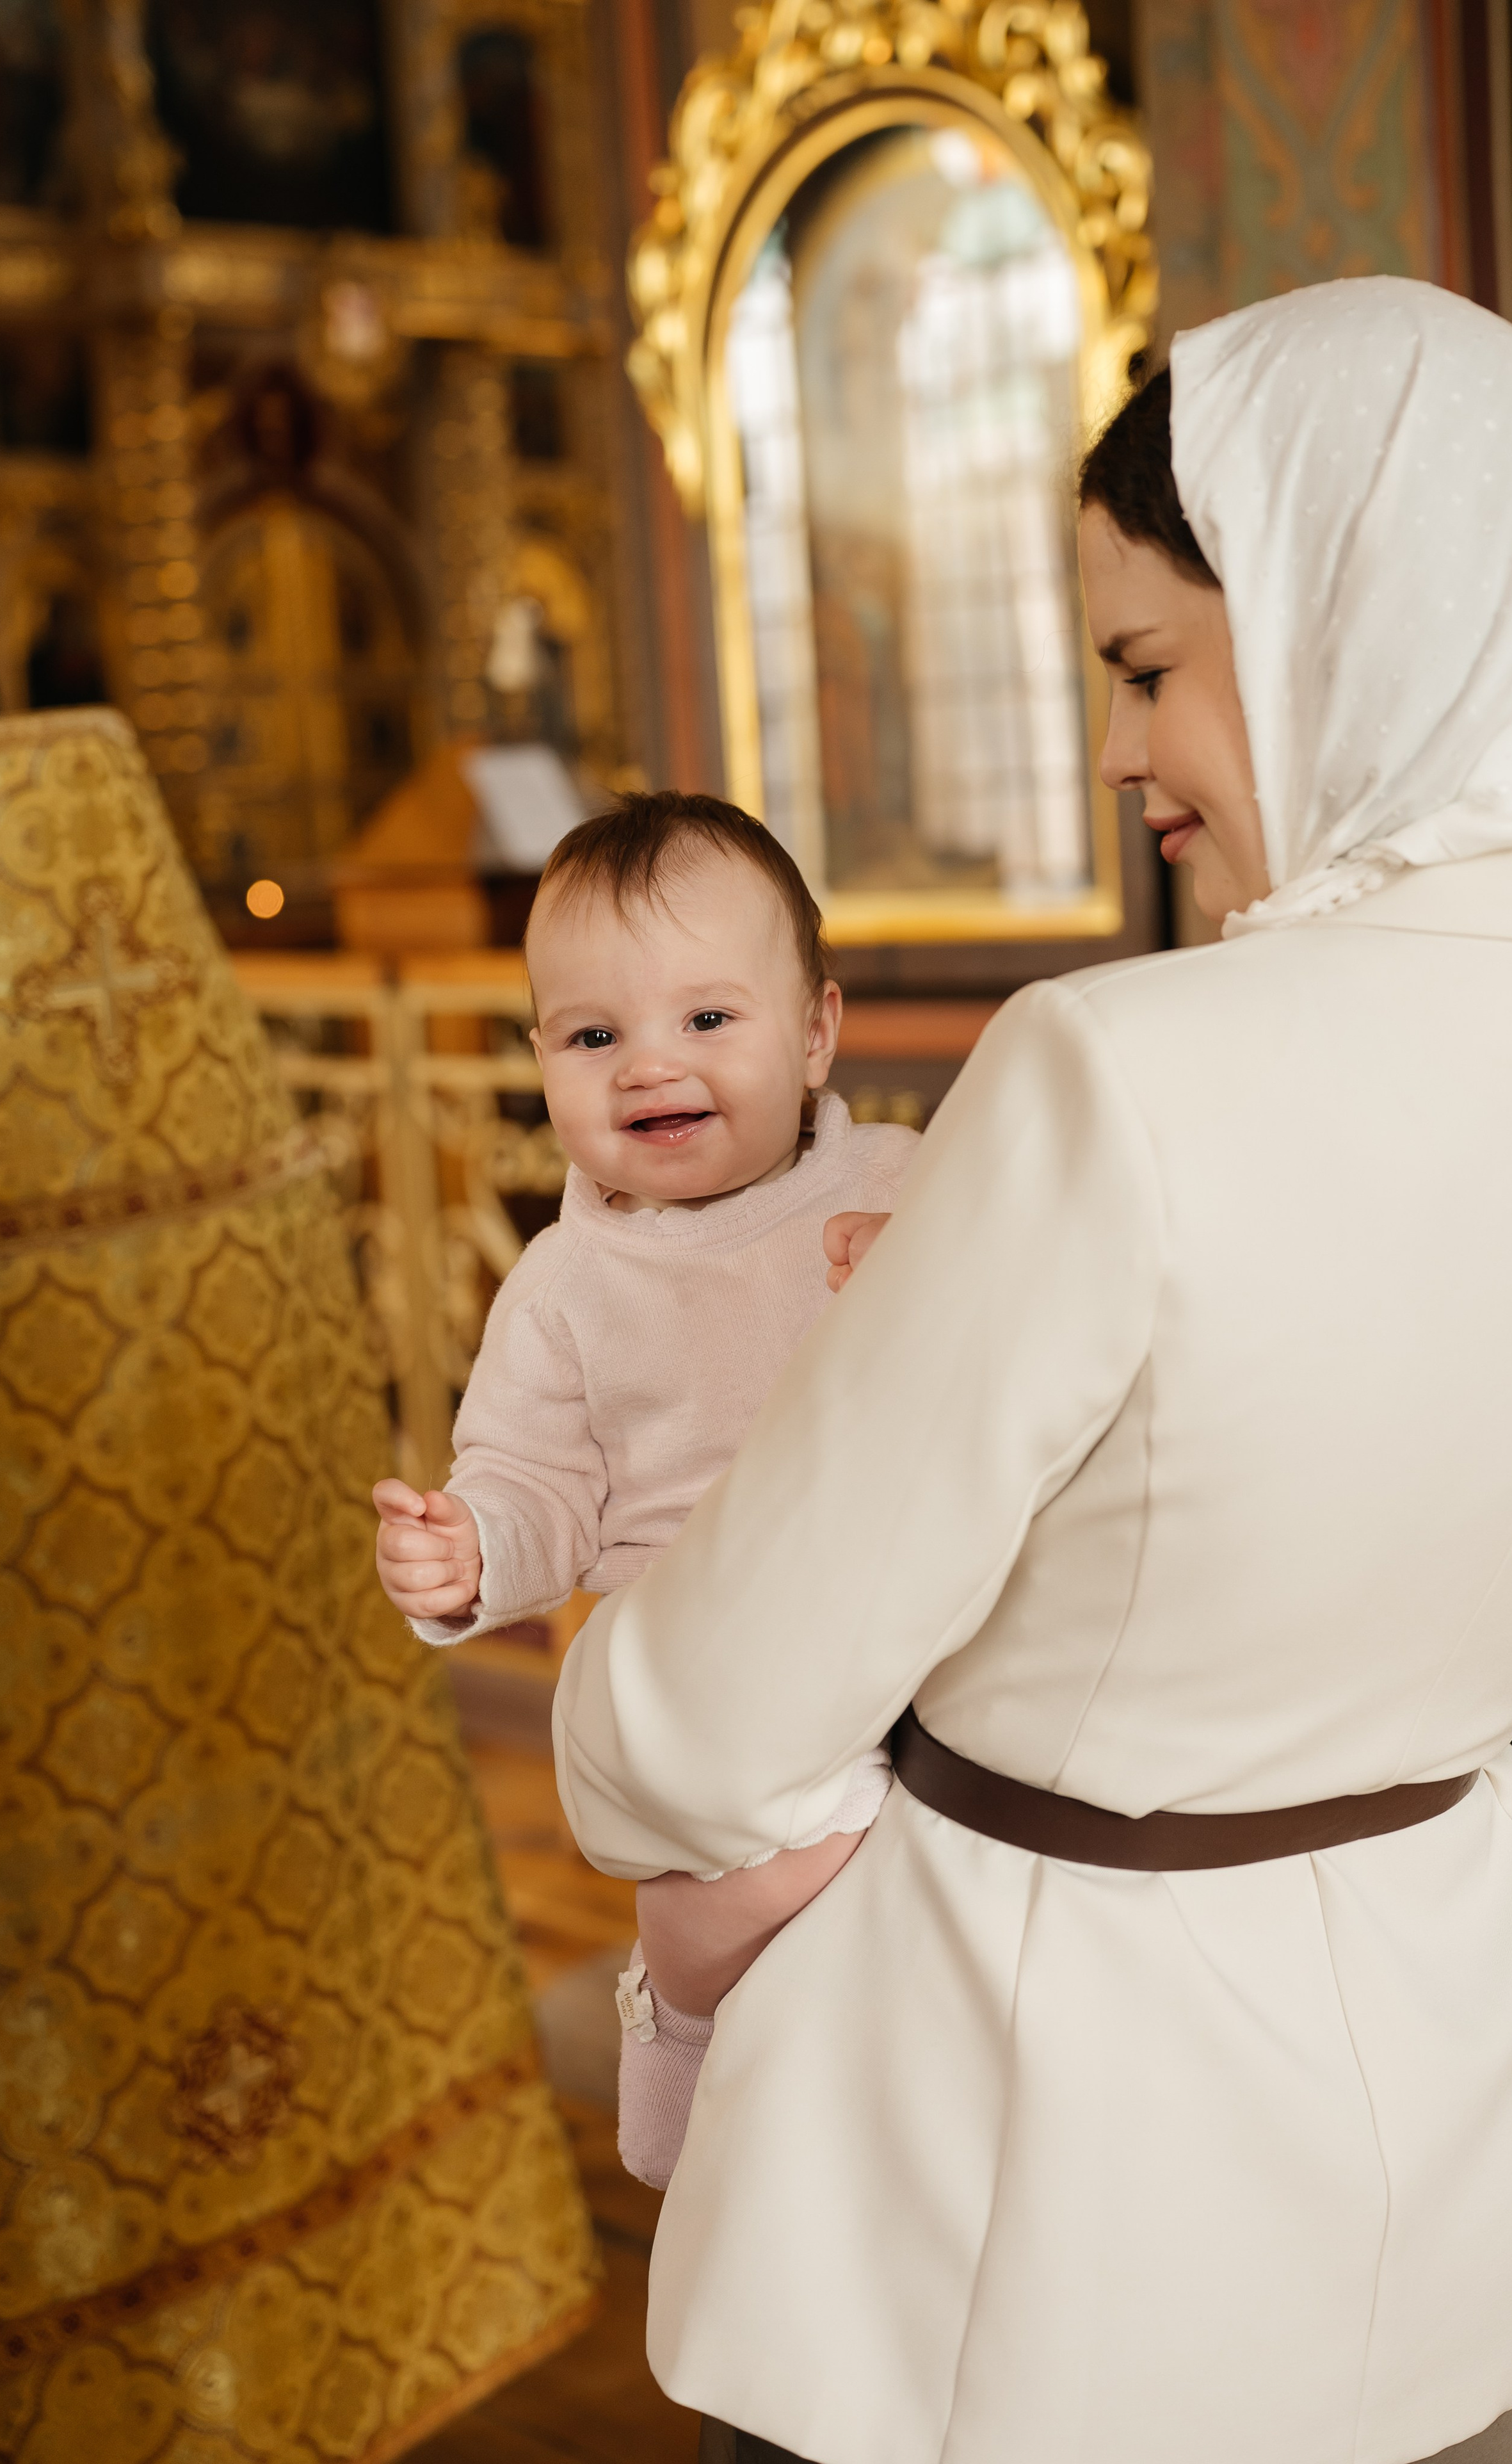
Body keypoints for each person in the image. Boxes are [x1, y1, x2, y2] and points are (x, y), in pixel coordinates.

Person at [552, 277, 1512, 2464]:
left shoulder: (1114, 1071)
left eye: (1148, 668)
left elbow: (689, 1725)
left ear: (1353, 603)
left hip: (1062, 2163)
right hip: (1471, 2053)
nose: (1122, 749)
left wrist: (611, 1670)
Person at [373, 791, 917, 2184]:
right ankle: (678, 2025)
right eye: (594, 1035)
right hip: (697, 1665)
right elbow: (532, 1474)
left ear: (813, 1033)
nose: (646, 1067)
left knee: (897, 1900)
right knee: (722, 1886)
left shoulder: (902, 1184)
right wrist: (476, 1548)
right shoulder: (567, 1287)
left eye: (706, 1020)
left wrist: (922, 1267)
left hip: (898, 1626)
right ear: (540, 1058)